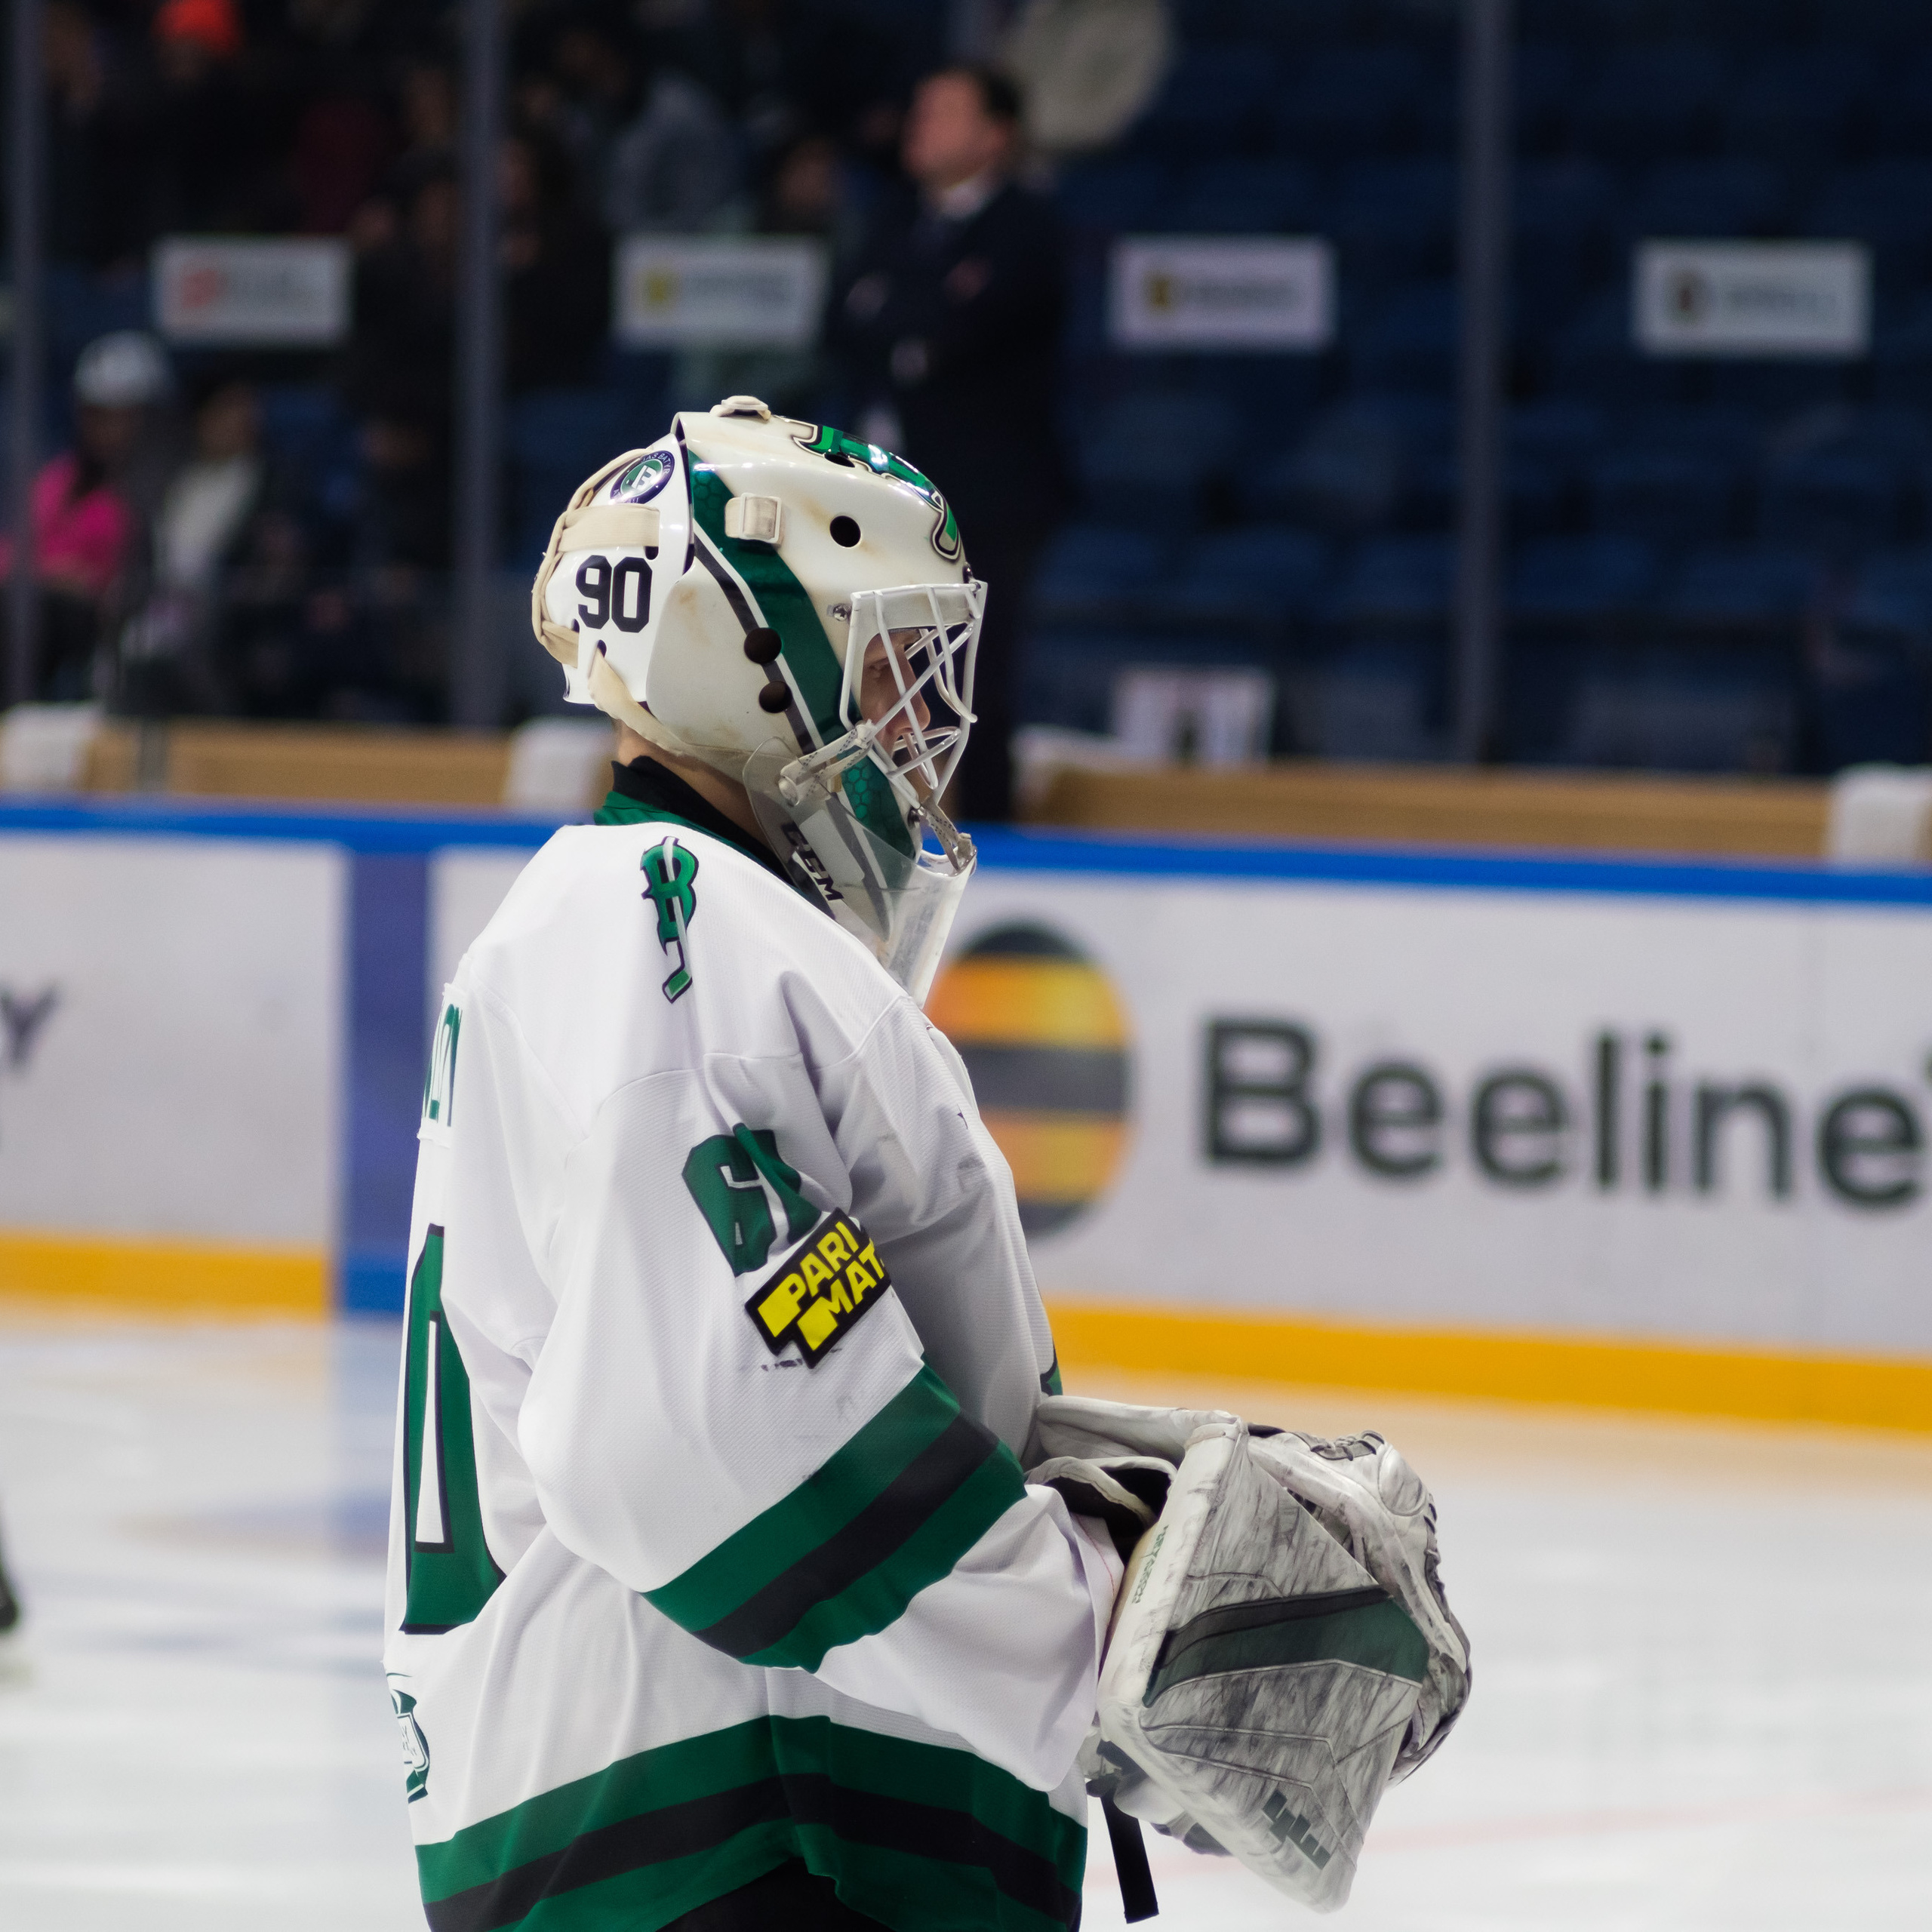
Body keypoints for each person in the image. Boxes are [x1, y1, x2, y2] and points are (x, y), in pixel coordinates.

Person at [383, 398, 1125, 1931]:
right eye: (887, 668)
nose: (920, 730)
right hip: (732, 1827)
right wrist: (1101, 1658)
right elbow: (718, 1429)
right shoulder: (666, 916)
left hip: (712, 1818)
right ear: (746, 663)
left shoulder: (679, 924)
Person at [828, 65, 1072, 822]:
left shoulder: (1028, 227)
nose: (920, 124)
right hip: (879, 491)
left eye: (944, 112)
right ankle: (870, 832)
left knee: (974, 677)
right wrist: (916, 334)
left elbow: (964, 330)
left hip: (986, 496)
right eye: (920, 109)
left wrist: (910, 331)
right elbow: (848, 322)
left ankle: (989, 836)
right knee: (865, 670)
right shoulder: (891, 219)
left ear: (994, 135)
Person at [0, 331, 168, 699]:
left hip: (99, 636)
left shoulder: (159, 492)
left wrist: (76, 582)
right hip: (33, 623)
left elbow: (120, 587)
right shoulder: (57, 480)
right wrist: (53, 575)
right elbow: (10, 555)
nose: (104, 428)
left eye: (119, 415)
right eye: (94, 413)